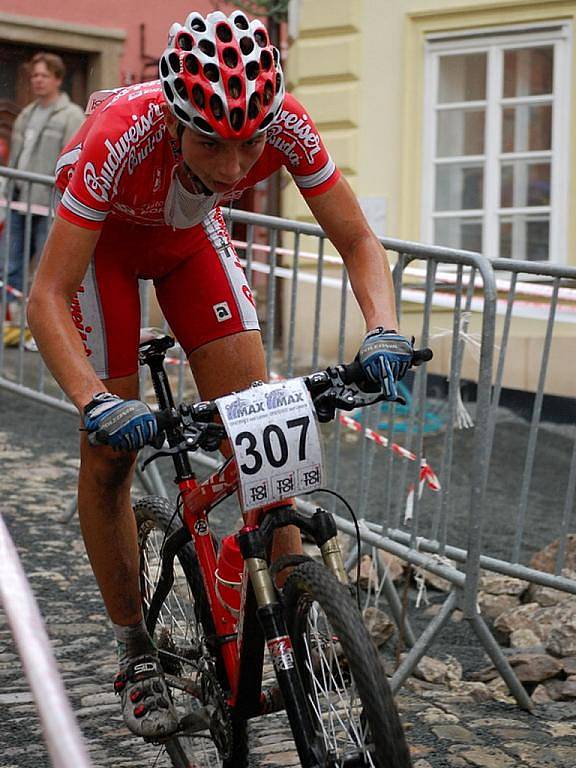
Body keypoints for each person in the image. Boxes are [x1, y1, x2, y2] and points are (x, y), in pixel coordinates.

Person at [27, 10, 414, 740]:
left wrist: (384, 329)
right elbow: (46, 295)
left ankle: (293, 610)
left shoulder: (288, 124)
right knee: (110, 454)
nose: (236, 167)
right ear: (176, 118)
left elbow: (359, 240)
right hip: (103, 251)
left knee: (264, 418)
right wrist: (94, 400)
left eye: (249, 143)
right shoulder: (119, 137)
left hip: (187, 242)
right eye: (212, 141)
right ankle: (135, 649)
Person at [2, 52, 84, 319]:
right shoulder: (27, 113)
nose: (38, 81)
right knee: (10, 264)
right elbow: (18, 154)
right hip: (20, 200)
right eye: (35, 75)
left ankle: (40, 324)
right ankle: (10, 321)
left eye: (44, 76)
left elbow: (73, 159)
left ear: (58, 79)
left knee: (47, 270)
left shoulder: (70, 115)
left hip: (50, 205)